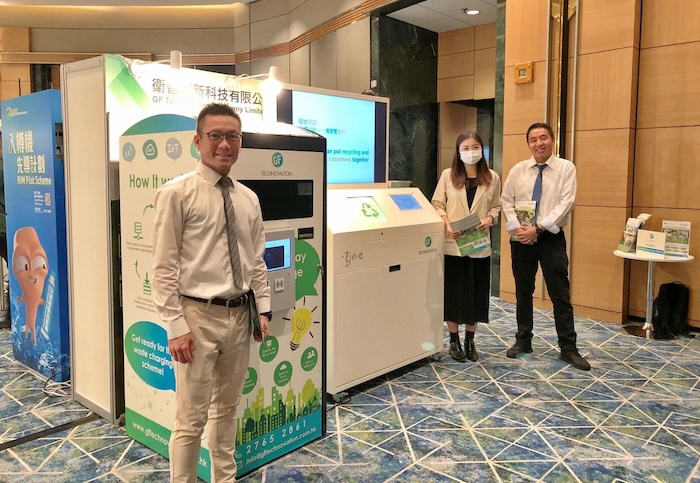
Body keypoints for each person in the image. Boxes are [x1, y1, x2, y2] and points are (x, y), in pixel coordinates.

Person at [152, 102, 271, 482]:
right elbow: (163, 267)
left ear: (241, 141)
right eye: (215, 135)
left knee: (227, 409)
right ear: (198, 141)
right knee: (191, 418)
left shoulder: (248, 198)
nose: (224, 144)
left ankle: (225, 478)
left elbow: (256, 261)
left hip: (240, 315)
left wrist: (263, 309)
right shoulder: (177, 193)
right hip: (196, 318)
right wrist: (176, 326)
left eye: (232, 136)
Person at [500, 122, 590, 371]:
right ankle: (523, 341)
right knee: (523, 292)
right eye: (533, 139)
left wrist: (538, 228)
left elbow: (566, 203)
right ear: (528, 143)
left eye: (543, 138)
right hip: (521, 238)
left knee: (560, 294)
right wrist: (518, 228)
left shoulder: (566, 168)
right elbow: (506, 200)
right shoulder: (518, 170)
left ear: (553, 139)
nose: (539, 143)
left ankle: (568, 348)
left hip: (550, 237)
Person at [432, 131, 501, 362]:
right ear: (458, 152)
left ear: (482, 150)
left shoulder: (492, 177)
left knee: (475, 294)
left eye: (475, 147)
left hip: (478, 244)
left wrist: (489, 219)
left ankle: (470, 340)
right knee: (453, 294)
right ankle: (454, 340)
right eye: (466, 148)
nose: (471, 152)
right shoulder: (448, 175)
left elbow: (496, 206)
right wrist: (447, 223)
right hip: (453, 244)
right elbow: (437, 203)